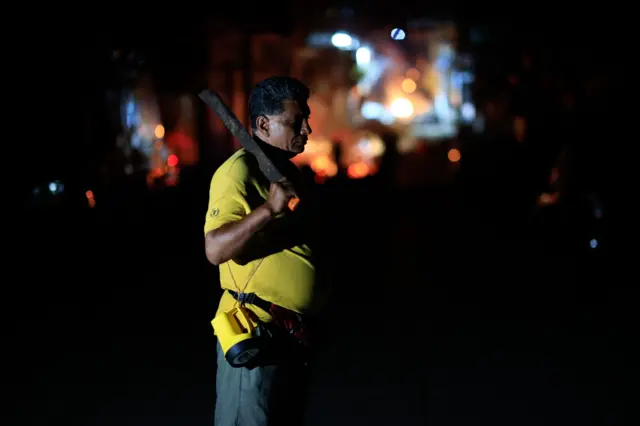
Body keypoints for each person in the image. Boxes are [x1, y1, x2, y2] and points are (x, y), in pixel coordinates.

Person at [204, 76, 330, 426]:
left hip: (290, 338)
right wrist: (268, 210)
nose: (307, 128)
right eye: (295, 120)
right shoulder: (238, 171)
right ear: (263, 124)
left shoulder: (287, 173)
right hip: (256, 331)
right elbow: (214, 250)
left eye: (306, 118)